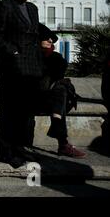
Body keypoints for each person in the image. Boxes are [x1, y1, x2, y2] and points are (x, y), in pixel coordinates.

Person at [0, 0, 43, 168]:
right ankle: (5, 151)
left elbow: (33, 35)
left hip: (32, 68)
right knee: (10, 110)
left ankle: (20, 147)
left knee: (26, 111)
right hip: (10, 67)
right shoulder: (4, 6)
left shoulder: (33, 9)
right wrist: (13, 52)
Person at [33, 23, 86, 158]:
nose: (50, 40)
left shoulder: (56, 58)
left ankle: (58, 129)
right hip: (34, 98)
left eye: (51, 38)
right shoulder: (29, 58)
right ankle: (63, 144)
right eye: (46, 38)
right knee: (61, 91)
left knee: (60, 90)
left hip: (50, 99)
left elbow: (57, 74)